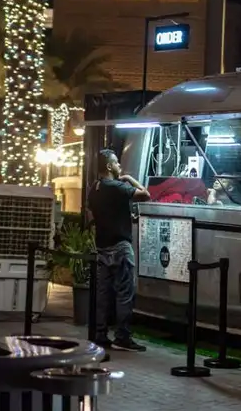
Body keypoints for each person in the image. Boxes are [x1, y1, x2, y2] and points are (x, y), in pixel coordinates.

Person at [87, 149, 150, 351]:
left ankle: (100, 334)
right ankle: (122, 337)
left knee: (103, 294)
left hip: (102, 247)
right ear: (109, 166)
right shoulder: (117, 187)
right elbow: (146, 194)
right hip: (120, 247)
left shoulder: (93, 189)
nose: (119, 166)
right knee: (124, 293)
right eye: (116, 163)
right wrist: (130, 178)